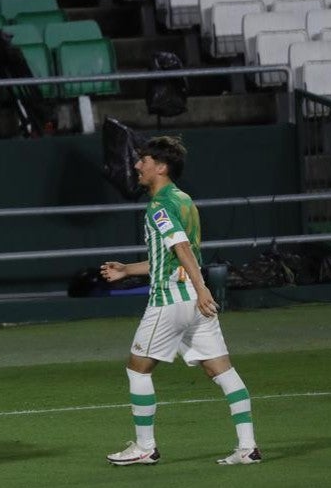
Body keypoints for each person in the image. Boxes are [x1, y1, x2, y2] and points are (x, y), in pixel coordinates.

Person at [101, 136, 261, 466]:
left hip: (171, 300)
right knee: (222, 370)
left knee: (138, 370)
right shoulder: (184, 200)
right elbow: (174, 256)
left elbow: (182, 249)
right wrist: (128, 270)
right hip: (193, 300)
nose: (136, 166)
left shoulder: (159, 205)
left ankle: (145, 448)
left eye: (143, 161)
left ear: (161, 167)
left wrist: (203, 289)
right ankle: (248, 447)